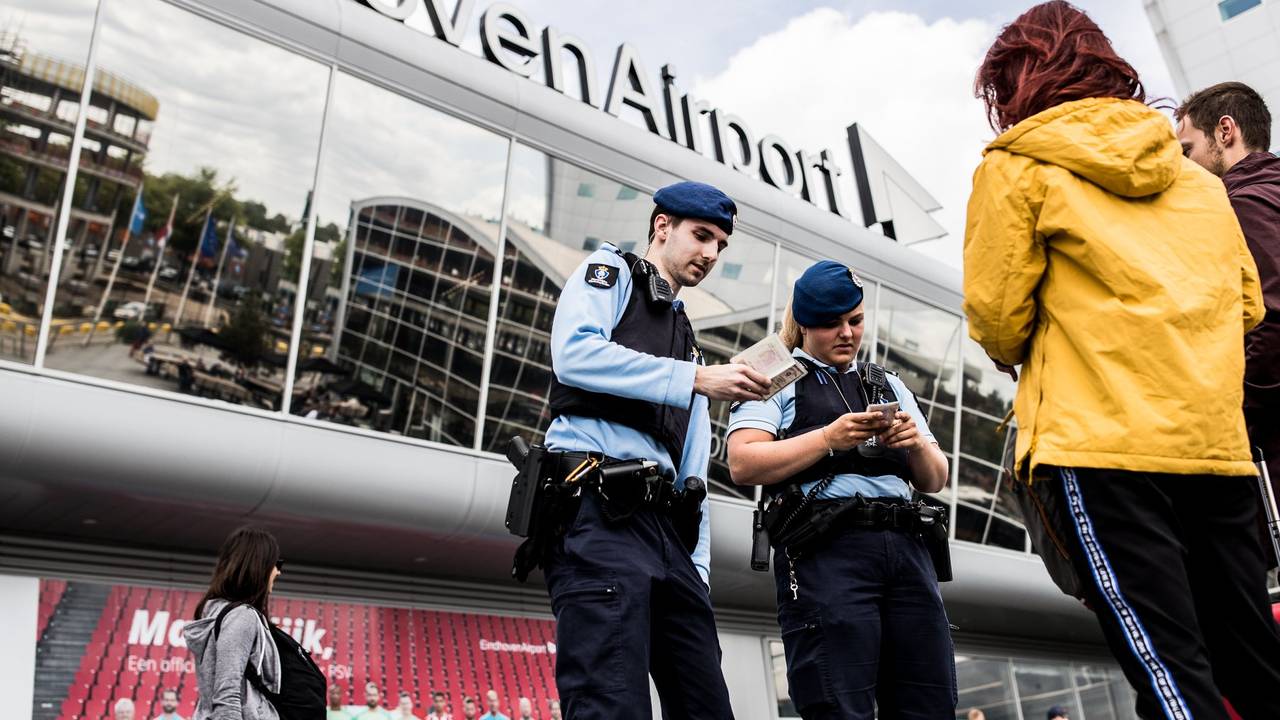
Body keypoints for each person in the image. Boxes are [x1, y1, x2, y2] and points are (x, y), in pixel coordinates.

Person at [965, 3, 1280, 719]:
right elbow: (1248, 307)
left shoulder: (1014, 169)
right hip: (1215, 450)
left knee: (1169, 673)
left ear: (1015, 87)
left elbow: (998, 319)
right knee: (1256, 670)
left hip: (1102, 449)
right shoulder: (1199, 181)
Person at [529, 181, 766, 719]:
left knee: (706, 704)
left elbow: (693, 470)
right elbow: (575, 355)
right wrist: (696, 379)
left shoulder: (687, 336)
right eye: (701, 236)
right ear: (662, 226)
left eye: (721, 245)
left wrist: (698, 567)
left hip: (667, 535)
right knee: (612, 700)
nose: (710, 253)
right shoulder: (609, 273)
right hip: (597, 507)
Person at [727, 260, 954, 719]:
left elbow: (935, 479)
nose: (847, 333)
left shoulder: (885, 382)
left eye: (855, 320)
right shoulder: (775, 371)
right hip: (826, 549)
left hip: (907, 549)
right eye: (832, 325)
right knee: (836, 699)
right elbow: (742, 461)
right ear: (805, 325)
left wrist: (914, 445)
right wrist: (828, 438)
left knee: (928, 700)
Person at [1176, 82, 1280, 489]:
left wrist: (1232, 411)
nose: (1184, 166)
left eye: (1187, 151)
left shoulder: (1242, 203)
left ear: (1225, 131)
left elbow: (1271, 321)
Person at [184, 527, 286, 720]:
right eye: (276, 563)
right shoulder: (241, 616)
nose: (278, 572)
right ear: (258, 566)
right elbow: (227, 694)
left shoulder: (214, 611)